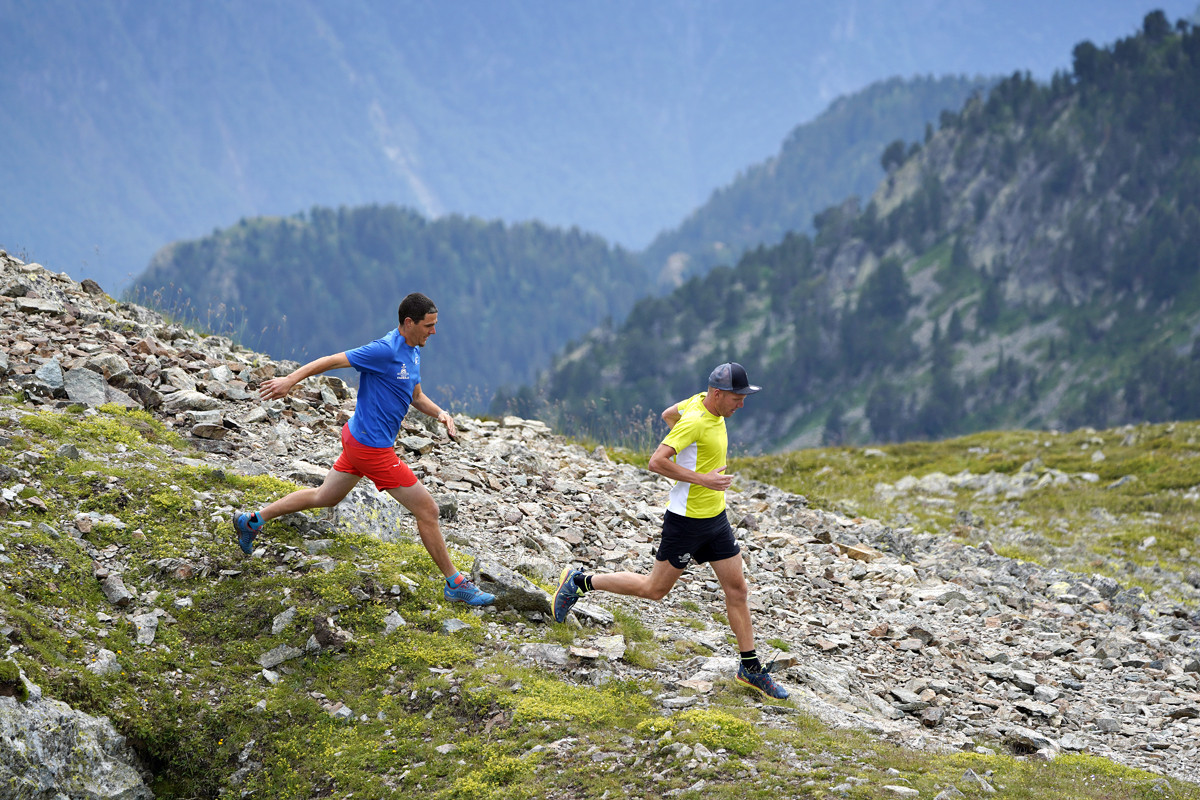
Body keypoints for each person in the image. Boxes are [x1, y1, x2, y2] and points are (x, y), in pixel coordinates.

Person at [232, 292, 494, 606]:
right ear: (408, 323)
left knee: (324, 496)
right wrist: (290, 380)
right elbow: (331, 361)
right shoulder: (383, 350)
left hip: (359, 441)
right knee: (428, 510)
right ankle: (455, 583)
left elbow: (415, 395)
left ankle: (250, 521)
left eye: (435, 325)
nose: (433, 332)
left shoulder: (413, 350)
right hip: (372, 449)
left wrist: (441, 414)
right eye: (429, 325)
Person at [552, 362, 788, 699]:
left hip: (716, 520)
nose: (742, 404)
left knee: (737, 590)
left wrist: (693, 458)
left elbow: (666, 413)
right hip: (686, 522)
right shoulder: (694, 420)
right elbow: (656, 462)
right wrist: (702, 477)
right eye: (737, 398)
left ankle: (750, 668)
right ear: (718, 394)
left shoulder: (700, 403)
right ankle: (580, 581)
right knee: (654, 589)